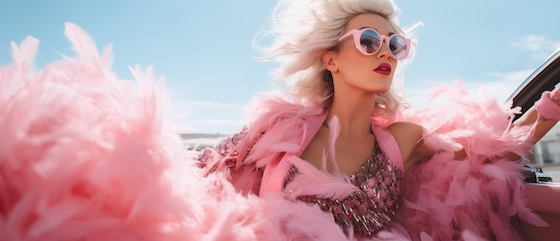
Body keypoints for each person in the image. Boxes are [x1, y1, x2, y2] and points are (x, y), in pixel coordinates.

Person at [197, 0, 560, 239]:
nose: (385, 50)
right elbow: (198, 175)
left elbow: (487, 165)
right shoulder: (277, 129)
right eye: (368, 40)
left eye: (395, 44)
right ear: (331, 59)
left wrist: (549, 109)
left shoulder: (404, 139)